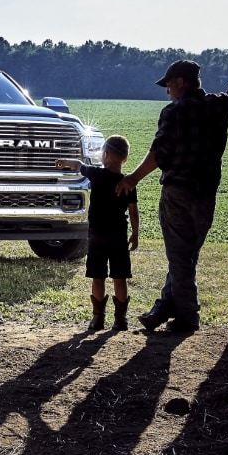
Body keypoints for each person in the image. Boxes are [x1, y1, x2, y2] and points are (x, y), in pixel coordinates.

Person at [116, 55, 228, 334]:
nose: (167, 92)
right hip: (206, 195)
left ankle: (187, 317)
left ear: (180, 83)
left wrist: (132, 178)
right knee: (186, 255)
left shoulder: (174, 112)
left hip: (177, 193)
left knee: (180, 258)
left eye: (168, 86)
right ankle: (162, 309)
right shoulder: (217, 106)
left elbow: (159, 153)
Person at [56, 134, 140, 331]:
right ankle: (121, 320)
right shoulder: (128, 183)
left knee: (98, 275)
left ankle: (97, 318)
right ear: (125, 159)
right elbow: (133, 212)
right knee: (120, 276)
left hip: (97, 235)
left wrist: (63, 162)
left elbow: (77, 164)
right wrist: (135, 234)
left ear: (105, 154)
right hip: (119, 235)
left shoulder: (96, 174)